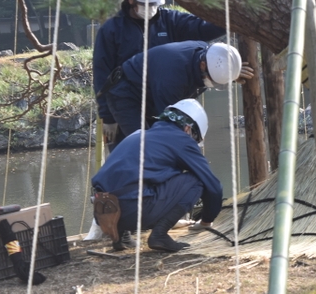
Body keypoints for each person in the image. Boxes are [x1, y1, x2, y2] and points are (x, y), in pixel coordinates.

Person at [93, 0, 226, 148]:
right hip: (126, 104)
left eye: (154, 4)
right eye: (146, 4)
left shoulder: (170, 21)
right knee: (131, 154)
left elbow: (203, 28)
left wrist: (232, 19)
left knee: (162, 156)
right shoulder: (112, 30)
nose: (151, 9)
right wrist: (107, 116)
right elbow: (102, 75)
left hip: (161, 101)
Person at [91, 99, 221, 252]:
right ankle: (159, 235)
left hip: (102, 212)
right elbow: (213, 186)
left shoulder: (138, 135)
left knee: (135, 181)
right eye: (195, 138)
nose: (194, 142)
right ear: (187, 129)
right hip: (132, 211)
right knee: (196, 181)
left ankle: (119, 237)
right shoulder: (182, 140)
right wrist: (206, 221)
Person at [102, 40, 253, 139]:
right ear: (203, 65)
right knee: (143, 148)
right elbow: (169, 125)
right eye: (212, 80)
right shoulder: (173, 77)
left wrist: (232, 73)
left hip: (150, 95)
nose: (211, 84)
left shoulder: (211, 56)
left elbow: (221, 65)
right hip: (126, 95)